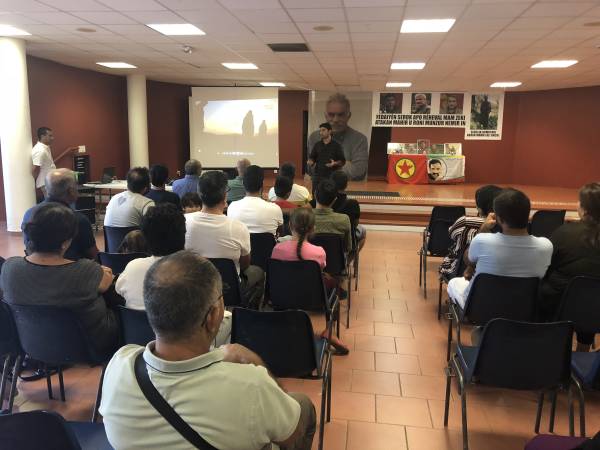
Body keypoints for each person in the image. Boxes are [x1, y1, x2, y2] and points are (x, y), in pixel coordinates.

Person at [100, 251, 316, 450]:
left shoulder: (120, 364)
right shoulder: (252, 384)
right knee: (303, 405)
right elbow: (291, 435)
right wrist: (257, 364)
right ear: (213, 316)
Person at [2, 203, 119, 357]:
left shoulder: (9, 268)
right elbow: (106, 283)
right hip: (86, 348)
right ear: (65, 243)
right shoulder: (86, 270)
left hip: (31, 345)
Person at [447, 188, 553, 309]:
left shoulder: (482, 240)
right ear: (528, 215)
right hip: (524, 309)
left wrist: (483, 230)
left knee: (454, 283)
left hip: (481, 308)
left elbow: (468, 260)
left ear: (499, 219)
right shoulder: (546, 246)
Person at [271, 208, 349, 354]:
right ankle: (329, 330)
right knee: (334, 285)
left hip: (282, 296)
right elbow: (319, 273)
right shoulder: (319, 252)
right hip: (313, 298)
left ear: (290, 226)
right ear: (313, 228)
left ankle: (284, 329)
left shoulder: (277, 249)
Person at [185, 171, 265, 308]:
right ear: (224, 195)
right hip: (228, 290)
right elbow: (245, 264)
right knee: (257, 272)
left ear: (199, 194)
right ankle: (247, 315)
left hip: (192, 288)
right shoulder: (238, 227)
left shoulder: (183, 222)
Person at [541, 182, 600, 350]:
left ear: (585, 209)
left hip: (560, 305)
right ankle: (583, 351)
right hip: (594, 308)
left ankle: (548, 348)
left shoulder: (565, 232)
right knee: (590, 294)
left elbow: (546, 266)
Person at [22, 168, 99, 261]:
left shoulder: (29, 214)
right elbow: (93, 254)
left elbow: (28, 248)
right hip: (72, 268)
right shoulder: (78, 219)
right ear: (71, 191)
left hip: (35, 267)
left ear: (46, 189)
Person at [439, 185, 503, 278]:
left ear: (479, 208)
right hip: (494, 275)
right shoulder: (508, 226)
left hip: (459, 271)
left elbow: (451, 234)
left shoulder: (465, 222)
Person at [307, 93, 369, 181]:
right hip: (320, 186)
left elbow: (359, 172)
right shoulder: (314, 137)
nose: (335, 119)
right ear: (325, 115)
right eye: (331, 114)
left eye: (341, 115)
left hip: (348, 187)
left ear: (348, 116)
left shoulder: (360, 139)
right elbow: (310, 168)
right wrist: (344, 163)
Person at [227, 165, 283, 237]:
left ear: (243, 183)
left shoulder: (232, 207)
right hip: (267, 244)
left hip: (240, 244)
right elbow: (280, 232)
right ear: (262, 184)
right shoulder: (275, 208)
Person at [31, 127, 77, 201]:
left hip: (49, 181)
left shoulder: (45, 147)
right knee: (51, 203)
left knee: (54, 202)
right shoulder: (40, 150)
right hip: (45, 182)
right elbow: (35, 169)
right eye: (50, 136)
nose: (52, 138)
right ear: (42, 136)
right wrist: (36, 180)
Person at [313, 180, 352, 254]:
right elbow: (348, 247)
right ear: (335, 199)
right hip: (335, 261)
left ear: (315, 195)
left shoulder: (303, 218)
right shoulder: (344, 219)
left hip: (309, 260)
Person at [307, 122, 345, 194]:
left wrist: (334, 163)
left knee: (329, 195)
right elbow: (312, 157)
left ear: (330, 131)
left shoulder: (337, 145)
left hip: (331, 176)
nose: (321, 132)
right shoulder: (317, 145)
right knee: (315, 195)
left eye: (323, 130)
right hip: (317, 175)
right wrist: (310, 161)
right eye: (320, 131)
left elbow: (342, 161)